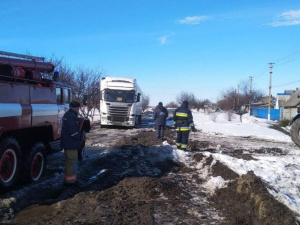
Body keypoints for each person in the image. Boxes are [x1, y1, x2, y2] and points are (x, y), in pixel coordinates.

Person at [61, 101, 81, 187]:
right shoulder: (71, 116)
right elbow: (73, 133)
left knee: (70, 162)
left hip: (69, 143)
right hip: (70, 143)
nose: (78, 109)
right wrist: (80, 136)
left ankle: (70, 181)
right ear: (74, 107)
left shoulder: (69, 115)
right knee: (71, 162)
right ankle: (70, 182)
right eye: (78, 108)